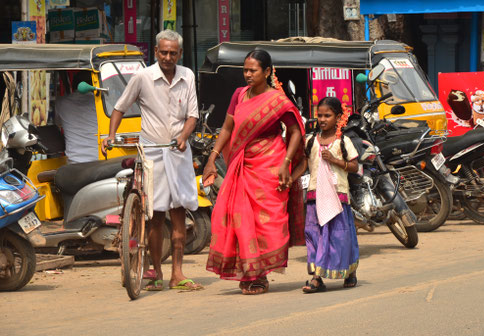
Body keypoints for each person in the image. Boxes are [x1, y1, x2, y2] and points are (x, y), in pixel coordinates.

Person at [101, 30, 202, 291]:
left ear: (179, 53)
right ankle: (156, 272)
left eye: (173, 53)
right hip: (152, 154)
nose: (168, 57)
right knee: (155, 217)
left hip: (178, 152)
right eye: (164, 52)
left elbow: (192, 115)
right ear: (155, 52)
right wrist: (110, 136)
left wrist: (184, 136)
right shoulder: (142, 77)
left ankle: (177, 273)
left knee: (178, 213)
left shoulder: (187, 75)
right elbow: (119, 107)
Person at [202, 49, 305, 295]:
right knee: (238, 217)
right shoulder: (239, 95)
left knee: (265, 221)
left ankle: (260, 275)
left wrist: (286, 163)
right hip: (242, 163)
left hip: (271, 165)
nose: (247, 75)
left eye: (253, 70)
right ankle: (250, 272)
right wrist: (212, 158)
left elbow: (295, 132)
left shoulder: (278, 100)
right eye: (245, 70)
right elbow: (227, 128)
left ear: (267, 72)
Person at [297, 97, 360, 293]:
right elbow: (304, 165)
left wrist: (334, 160)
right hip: (314, 196)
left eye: (327, 115)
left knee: (340, 237)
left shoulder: (343, 141)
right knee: (314, 236)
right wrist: (289, 178)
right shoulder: (310, 141)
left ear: (338, 117)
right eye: (319, 115)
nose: (322, 120)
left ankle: (349, 272)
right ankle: (317, 277)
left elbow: (354, 166)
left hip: (337, 196)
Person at [55, 71, 99, 163]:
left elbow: (58, 123)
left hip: (75, 161)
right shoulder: (101, 104)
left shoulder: (61, 103)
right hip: (101, 159)